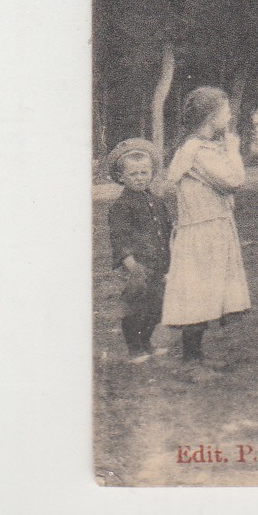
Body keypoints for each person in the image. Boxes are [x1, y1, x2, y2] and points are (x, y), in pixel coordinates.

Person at [162, 87, 251, 366]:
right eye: (226, 111)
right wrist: (234, 150)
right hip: (203, 232)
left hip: (211, 228)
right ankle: (192, 356)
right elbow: (234, 181)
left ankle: (195, 355)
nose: (230, 115)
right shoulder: (197, 150)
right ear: (212, 117)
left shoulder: (205, 147)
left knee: (206, 289)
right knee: (198, 290)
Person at [104, 138, 172, 363]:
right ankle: (134, 348)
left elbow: (165, 227)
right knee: (136, 306)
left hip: (158, 263)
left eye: (144, 173)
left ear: (151, 173)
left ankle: (147, 343)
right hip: (138, 265)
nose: (140, 178)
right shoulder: (121, 206)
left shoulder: (155, 201)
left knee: (156, 305)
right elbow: (120, 235)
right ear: (122, 177)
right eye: (134, 174)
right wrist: (128, 261)